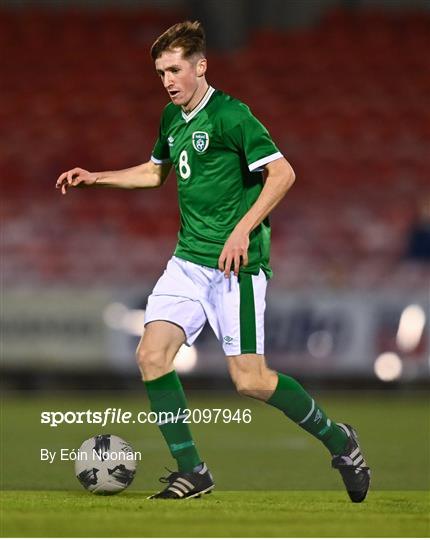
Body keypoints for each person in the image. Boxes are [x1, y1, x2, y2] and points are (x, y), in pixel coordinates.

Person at [56, 20, 370, 502]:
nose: (168, 80)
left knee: (251, 381)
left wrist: (243, 229)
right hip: (188, 262)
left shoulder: (231, 115)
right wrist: (95, 176)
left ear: (201, 66)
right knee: (151, 356)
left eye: (176, 69)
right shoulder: (171, 118)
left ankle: (339, 441)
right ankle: (193, 471)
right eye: (161, 72)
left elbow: (283, 174)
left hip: (235, 270)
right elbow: (154, 172)